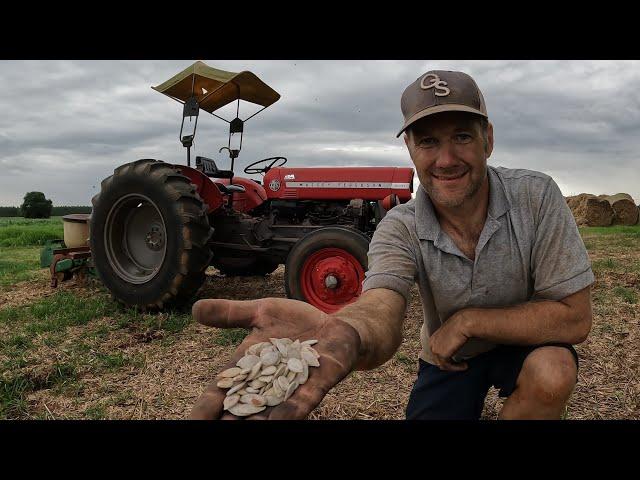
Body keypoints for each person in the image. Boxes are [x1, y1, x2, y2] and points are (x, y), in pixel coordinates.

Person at [189, 69, 594, 420]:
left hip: (522, 343)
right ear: (410, 149)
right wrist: (346, 330)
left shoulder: (535, 196)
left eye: (461, 136)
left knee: (553, 370)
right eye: (428, 142)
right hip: (446, 356)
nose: (447, 158)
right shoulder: (400, 225)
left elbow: (575, 319)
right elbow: (382, 303)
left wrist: (470, 321)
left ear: (487, 139)